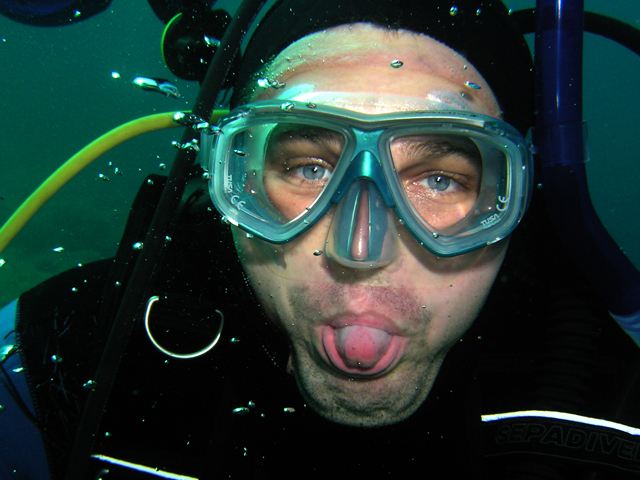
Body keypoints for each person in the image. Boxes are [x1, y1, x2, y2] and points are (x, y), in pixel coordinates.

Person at [1, 0, 640, 478]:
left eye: (439, 179)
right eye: (309, 169)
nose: (359, 253)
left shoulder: (613, 391)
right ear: (234, 179)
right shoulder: (60, 357)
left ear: (516, 196)